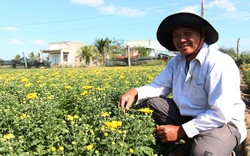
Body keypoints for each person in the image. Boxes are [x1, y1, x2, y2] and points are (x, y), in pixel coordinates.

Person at [118, 9, 246, 156]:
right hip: (191, 117)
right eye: (176, 35)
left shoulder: (218, 62)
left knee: (203, 153)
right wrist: (134, 92)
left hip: (223, 123)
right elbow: (160, 86)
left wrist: (180, 131)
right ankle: (193, 141)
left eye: (187, 33)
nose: (181, 39)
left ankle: (216, 147)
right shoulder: (176, 61)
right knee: (152, 104)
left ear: (202, 33)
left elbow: (220, 114)